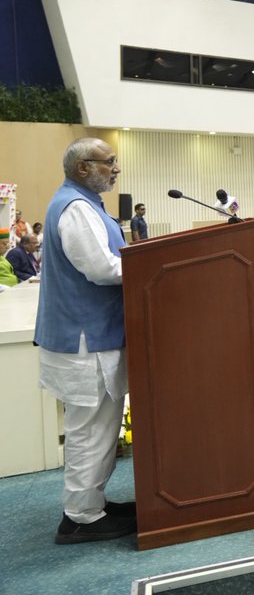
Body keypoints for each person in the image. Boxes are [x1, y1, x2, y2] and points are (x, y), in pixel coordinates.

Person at [35, 138, 137, 544]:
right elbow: (102, 268)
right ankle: (80, 516)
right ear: (82, 168)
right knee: (89, 429)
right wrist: (148, 265)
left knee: (99, 428)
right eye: (108, 162)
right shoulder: (75, 207)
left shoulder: (85, 204)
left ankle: (91, 503)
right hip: (84, 342)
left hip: (92, 338)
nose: (115, 168)